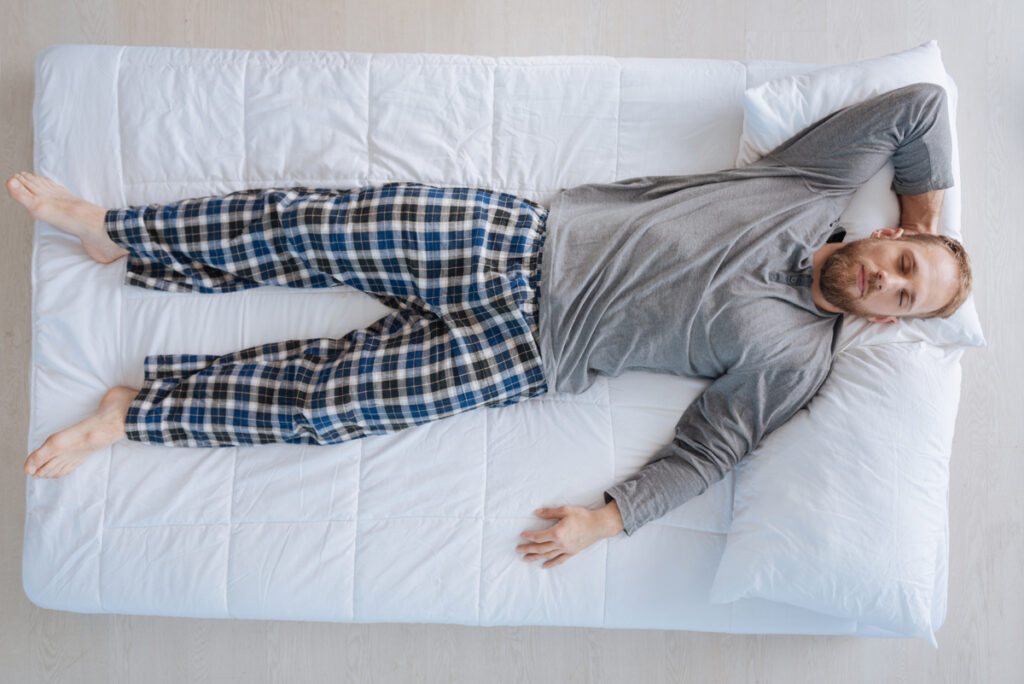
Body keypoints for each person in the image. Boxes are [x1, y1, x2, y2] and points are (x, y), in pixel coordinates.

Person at [7, 83, 972, 570]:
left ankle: (137, 414)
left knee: (327, 408)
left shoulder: (797, 357)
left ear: (888, 321)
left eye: (901, 297)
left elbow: (713, 448)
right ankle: (116, 233)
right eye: (899, 263)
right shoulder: (809, 188)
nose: (885, 279)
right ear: (888, 231)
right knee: (303, 226)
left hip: (524, 355)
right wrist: (934, 231)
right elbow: (923, 109)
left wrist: (608, 517)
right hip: (513, 240)